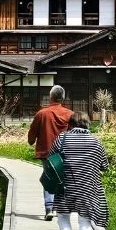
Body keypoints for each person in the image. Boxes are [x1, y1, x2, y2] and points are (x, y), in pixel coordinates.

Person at [50, 111, 109, 230]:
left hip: (65, 186)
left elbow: (51, 159)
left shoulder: (62, 138)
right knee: (85, 220)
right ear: (87, 123)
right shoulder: (96, 142)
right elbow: (104, 166)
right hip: (88, 188)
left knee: (62, 216)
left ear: (71, 124)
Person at [27, 85, 74, 221]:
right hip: (65, 152)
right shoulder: (70, 115)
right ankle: (56, 208)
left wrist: (31, 141)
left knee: (49, 177)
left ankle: (49, 208)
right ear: (63, 98)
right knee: (61, 179)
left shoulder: (41, 114)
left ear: (51, 97)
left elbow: (32, 134)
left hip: (46, 151)